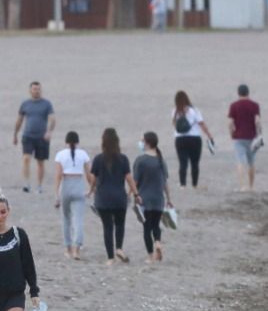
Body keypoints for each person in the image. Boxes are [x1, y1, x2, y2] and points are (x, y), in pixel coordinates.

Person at [90, 127, 137, 265]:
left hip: (103, 198)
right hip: (119, 198)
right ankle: (119, 248)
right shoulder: (123, 159)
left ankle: (110, 258)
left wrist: (91, 190)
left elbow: (93, 179)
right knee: (120, 224)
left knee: (107, 227)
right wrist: (136, 193)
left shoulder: (98, 159)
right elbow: (129, 178)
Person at [52, 131, 92, 260]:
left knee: (66, 219)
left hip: (66, 185)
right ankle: (77, 249)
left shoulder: (60, 155)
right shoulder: (83, 154)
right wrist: (92, 190)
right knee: (78, 219)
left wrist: (56, 194)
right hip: (79, 184)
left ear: (66, 142)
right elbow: (89, 175)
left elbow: (58, 176)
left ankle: (68, 248)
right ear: (77, 142)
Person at [135, 131, 173, 263]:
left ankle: (150, 256)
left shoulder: (140, 160)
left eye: (142, 140)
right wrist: (169, 199)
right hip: (158, 199)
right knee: (156, 225)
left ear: (147, 143)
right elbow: (165, 182)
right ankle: (157, 242)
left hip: (144, 199)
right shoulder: (161, 160)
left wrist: (133, 195)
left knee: (147, 228)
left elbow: (135, 182)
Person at [12, 82, 55, 194]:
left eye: (38, 89)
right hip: (28, 136)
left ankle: (40, 186)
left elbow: (52, 119)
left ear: (41, 90)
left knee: (40, 162)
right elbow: (19, 120)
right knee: (26, 158)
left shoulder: (47, 104)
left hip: (42, 137)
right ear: (30, 90)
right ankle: (26, 184)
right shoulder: (25, 104)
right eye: (34, 89)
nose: (37, 91)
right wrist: (15, 134)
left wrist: (49, 132)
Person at [171, 90, 213, 189]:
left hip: (180, 139)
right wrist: (209, 135)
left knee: (182, 162)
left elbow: (174, 125)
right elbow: (202, 124)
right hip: (194, 139)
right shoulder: (194, 110)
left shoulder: (174, 111)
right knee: (195, 163)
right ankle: (194, 184)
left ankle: (183, 185)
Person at [227, 83, 262, 192]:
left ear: (238, 93)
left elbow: (230, 122)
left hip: (239, 137)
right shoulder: (255, 105)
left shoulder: (234, 106)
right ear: (248, 92)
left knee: (240, 161)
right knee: (251, 162)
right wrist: (259, 133)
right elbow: (257, 121)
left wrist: (231, 133)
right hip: (252, 137)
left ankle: (242, 186)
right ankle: (251, 186)